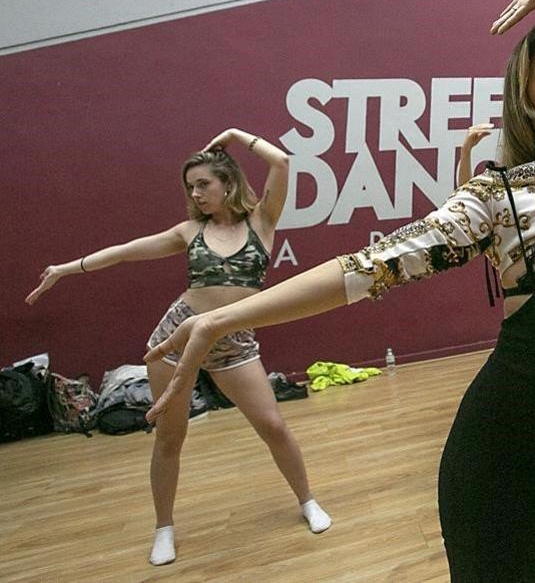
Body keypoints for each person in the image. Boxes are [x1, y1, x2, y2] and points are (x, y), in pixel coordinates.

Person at [143, 0, 535, 581]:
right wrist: (225, 315)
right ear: (524, 95)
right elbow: (368, 268)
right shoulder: (494, 196)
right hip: (506, 461)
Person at [25, 129, 330, 565]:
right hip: (176, 338)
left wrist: (233, 135)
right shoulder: (189, 231)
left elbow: (280, 162)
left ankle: (307, 501)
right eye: (191, 186)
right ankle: (163, 528)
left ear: (228, 183)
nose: (196, 193)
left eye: (203, 183)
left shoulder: (262, 221)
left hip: (234, 342)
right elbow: (126, 251)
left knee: (274, 426)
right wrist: (66, 269)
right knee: (170, 437)